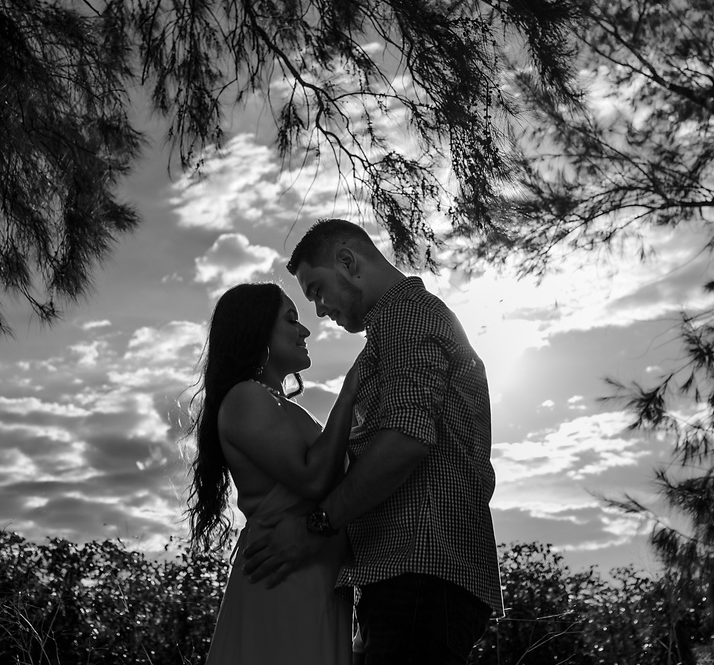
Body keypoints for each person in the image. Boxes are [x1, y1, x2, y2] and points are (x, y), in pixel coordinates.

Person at [243, 219, 504, 664]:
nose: (320, 311)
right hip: (411, 575)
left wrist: (314, 529)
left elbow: (405, 439)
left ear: (348, 261)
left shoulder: (406, 316)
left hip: (422, 571)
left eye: (317, 291)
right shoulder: (393, 329)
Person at [187, 281, 359, 664]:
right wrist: (349, 394)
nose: (305, 330)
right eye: (292, 320)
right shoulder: (245, 398)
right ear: (257, 329)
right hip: (284, 582)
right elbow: (312, 478)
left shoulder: (283, 405)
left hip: (316, 584)